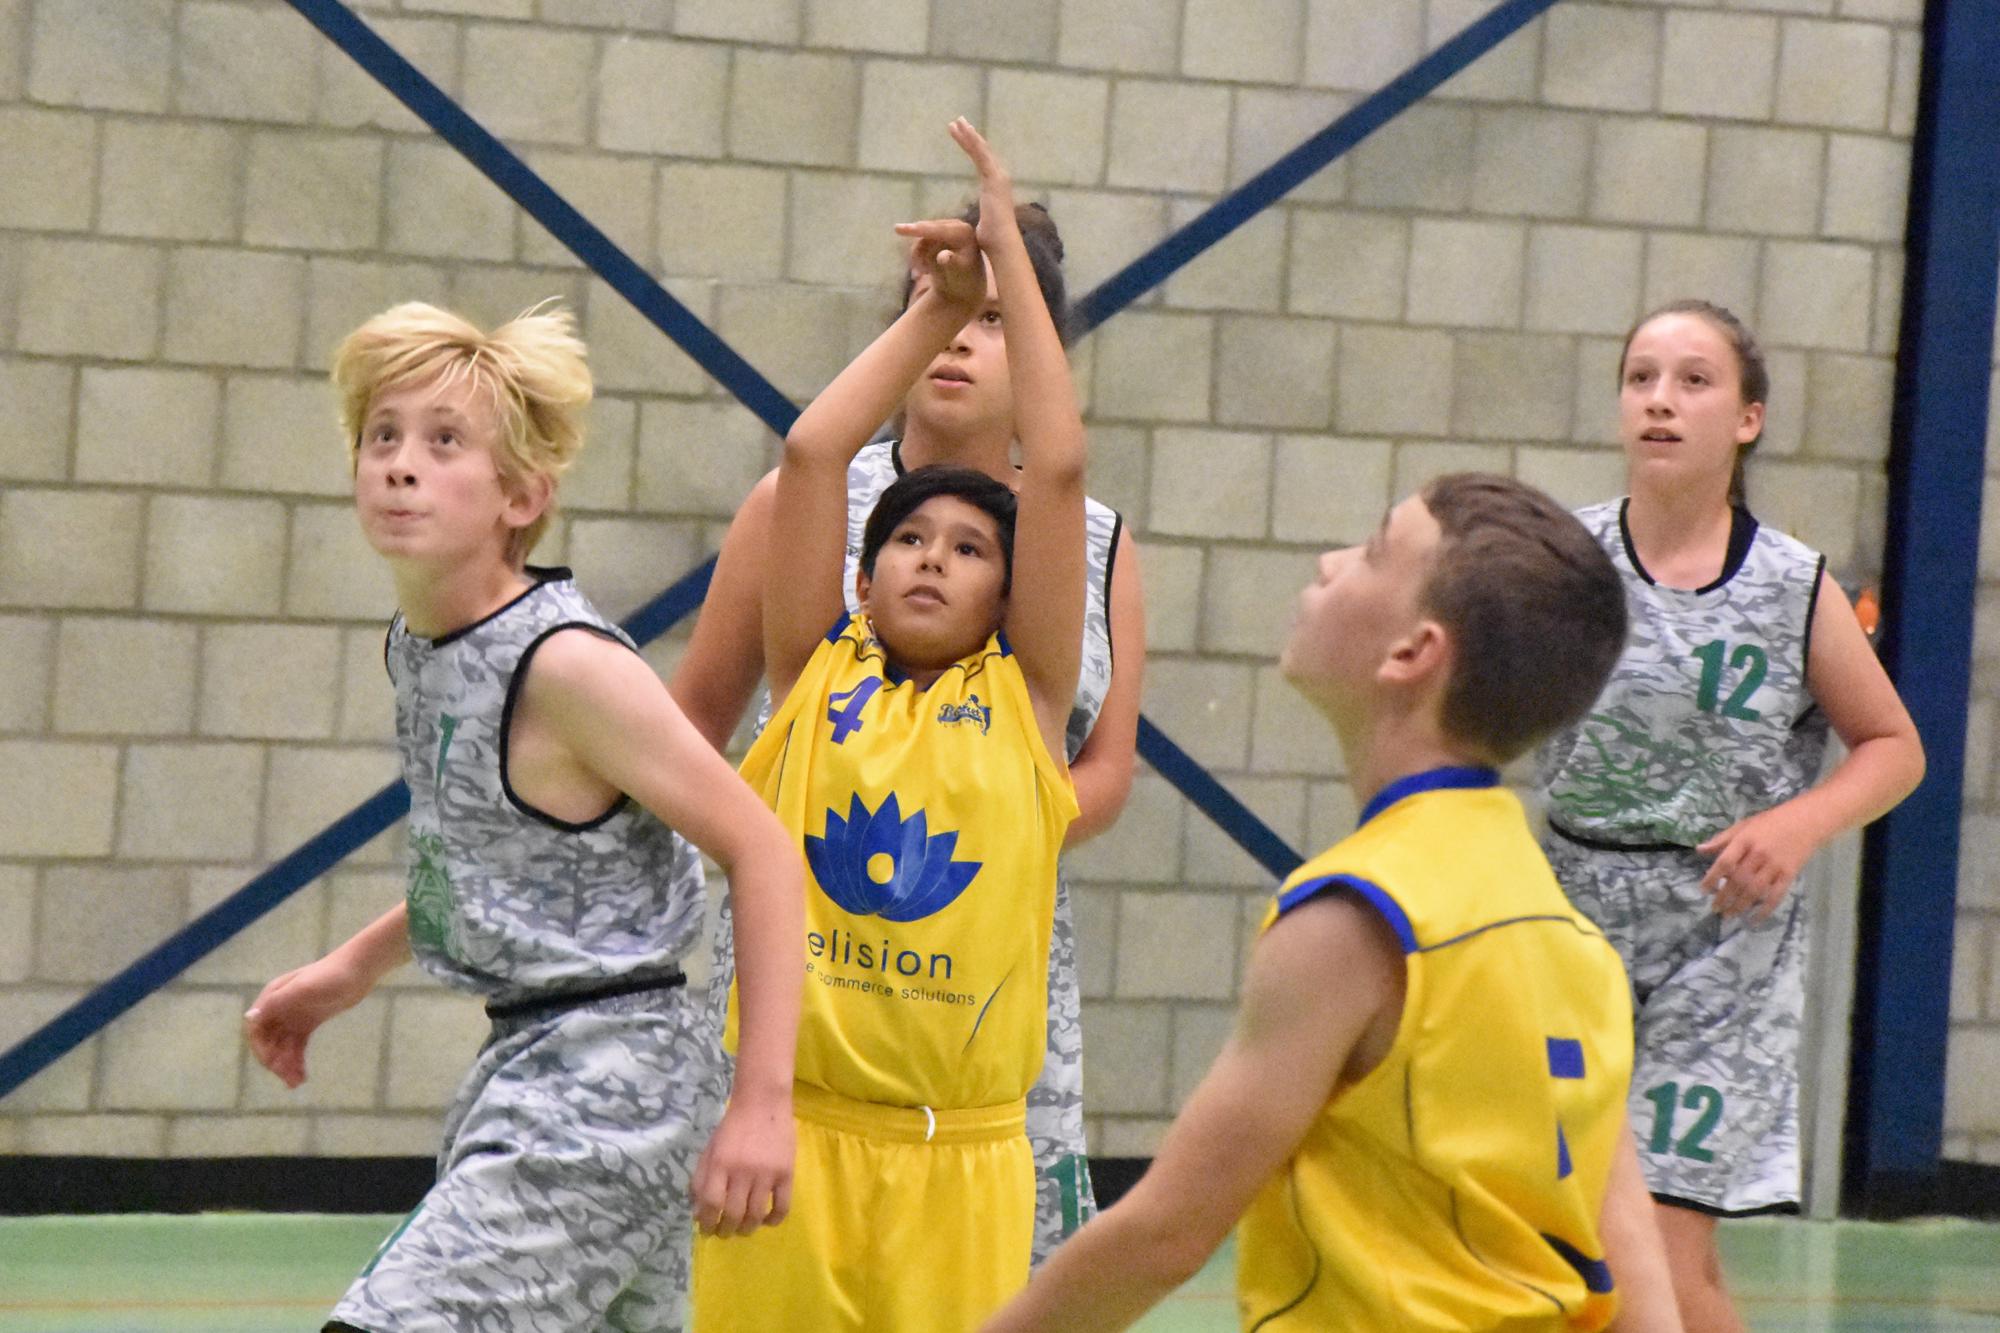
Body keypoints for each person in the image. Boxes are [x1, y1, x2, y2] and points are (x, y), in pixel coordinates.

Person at [984, 473, 1687, 1333]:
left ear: (1412, 653)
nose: (1328, 562)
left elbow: (1165, 1233)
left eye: (1372, 552)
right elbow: (1633, 1266)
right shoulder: (1573, 941)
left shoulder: (1357, 917)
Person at [242, 301, 803, 1333]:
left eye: (443, 442)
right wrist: (351, 968)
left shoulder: (567, 664)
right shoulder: (420, 646)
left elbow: (762, 848)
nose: (401, 466)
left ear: (521, 495)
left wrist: (763, 1103)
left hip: (610, 1085)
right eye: (382, 436)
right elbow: (491, 853)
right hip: (532, 1062)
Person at [669, 135, 1143, 1268]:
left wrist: (990, 807)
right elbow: (683, 740)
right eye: (940, 314)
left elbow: (1104, 768)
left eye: (994, 321)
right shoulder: (817, 563)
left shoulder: (1070, 555)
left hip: (979, 978)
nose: (962, 340)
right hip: (811, 985)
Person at [1537, 300, 1926, 1331]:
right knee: (1567, 1245)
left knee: (1663, 1251)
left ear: (1747, 418)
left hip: (1722, 941)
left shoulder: (1792, 585)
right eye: (1640, 377)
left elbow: (1894, 747)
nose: (1659, 399)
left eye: (1692, 380)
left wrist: (1798, 824)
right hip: (1569, 923)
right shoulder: (1563, 561)